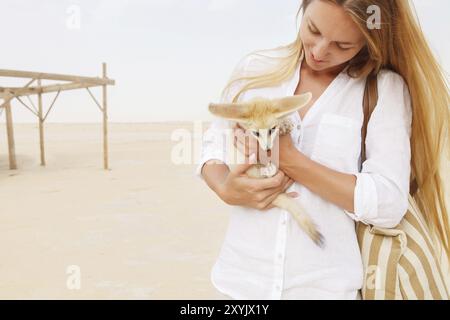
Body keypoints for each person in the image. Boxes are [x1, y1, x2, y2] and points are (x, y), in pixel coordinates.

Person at [195, 0, 449, 300]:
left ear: (371, 39)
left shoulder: (383, 90)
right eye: (313, 29)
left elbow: (388, 202)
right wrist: (224, 186)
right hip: (238, 284)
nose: (318, 52)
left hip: (327, 290)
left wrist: (289, 159)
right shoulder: (257, 69)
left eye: (342, 45)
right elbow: (214, 144)